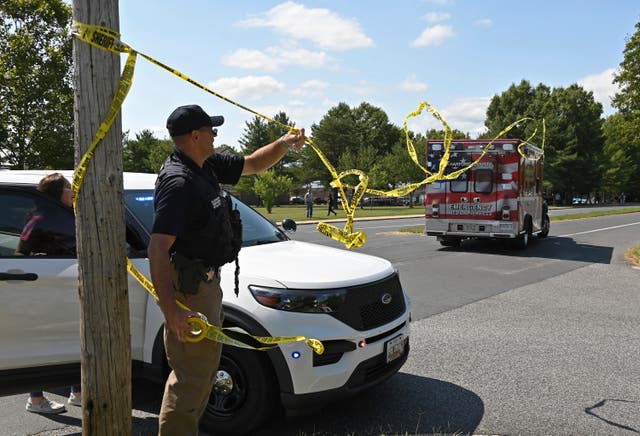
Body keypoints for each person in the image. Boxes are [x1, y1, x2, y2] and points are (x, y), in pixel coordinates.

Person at [147, 104, 305, 435]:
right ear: (195, 136)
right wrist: (171, 309)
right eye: (211, 130)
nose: (216, 135)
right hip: (188, 290)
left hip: (205, 283)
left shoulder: (206, 164)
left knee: (203, 371)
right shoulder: (179, 182)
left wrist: (284, 142)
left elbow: (252, 164)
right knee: (191, 378)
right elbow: (158, 247)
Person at [16, 173, 81, 414]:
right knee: (42, 342)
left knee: (77, 338)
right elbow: (22, 255)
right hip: (44, 290)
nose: (72, 189)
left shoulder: (68, 216)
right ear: (56, 193)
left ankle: (79, 393)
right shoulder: (39, 221)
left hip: (66, 288)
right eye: (67, 186)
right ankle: (35, 399)